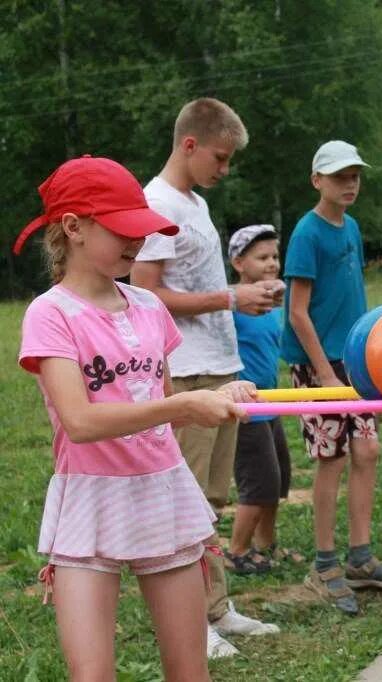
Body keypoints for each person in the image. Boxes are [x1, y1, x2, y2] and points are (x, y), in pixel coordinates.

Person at [14, 156, 254, 681]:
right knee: (93, 674)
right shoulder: (50, 314)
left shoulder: (148, 306)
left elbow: (162, 416)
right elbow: (80, 422)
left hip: (160, 493)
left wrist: (218, 397)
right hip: (90, 500)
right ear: (74, 227)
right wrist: (183, 405)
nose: (136, 243)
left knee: (190, 671)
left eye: (141, 231)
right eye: (122, 230)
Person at [129, 97, 279, 658]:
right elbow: (146, 296)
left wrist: (239, 303)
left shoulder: (192, 201)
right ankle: (192, 624)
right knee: (185, 501)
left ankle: (215, 608)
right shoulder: (156, 203)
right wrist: (231, 297)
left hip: (218, 365)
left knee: (210, 498)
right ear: (189, 144)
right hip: (186, 375)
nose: (225, 168)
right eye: (220, 156)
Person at [281, 140, 382, 616]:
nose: (349, 184)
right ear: (318, 181)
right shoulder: (306, 234)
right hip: (317, 364)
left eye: (354, 175)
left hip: (355, 360)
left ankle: (360, 557)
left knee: (368, 449)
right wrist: (320, 372)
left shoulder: (352, 228)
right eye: (339, 177)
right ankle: (324, 563)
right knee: (330, 458)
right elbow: (297, 312)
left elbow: (353, 298)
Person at [225, 225, 299, 574]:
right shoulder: (232, 306)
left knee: (279, 478)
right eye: (262, 257)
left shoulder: (270, 306)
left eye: (274, 256)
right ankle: (236, 551)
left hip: (270, 403)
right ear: (239, 262)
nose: (272, 263)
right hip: (246, 408)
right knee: (259, 483)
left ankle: (265, 544)